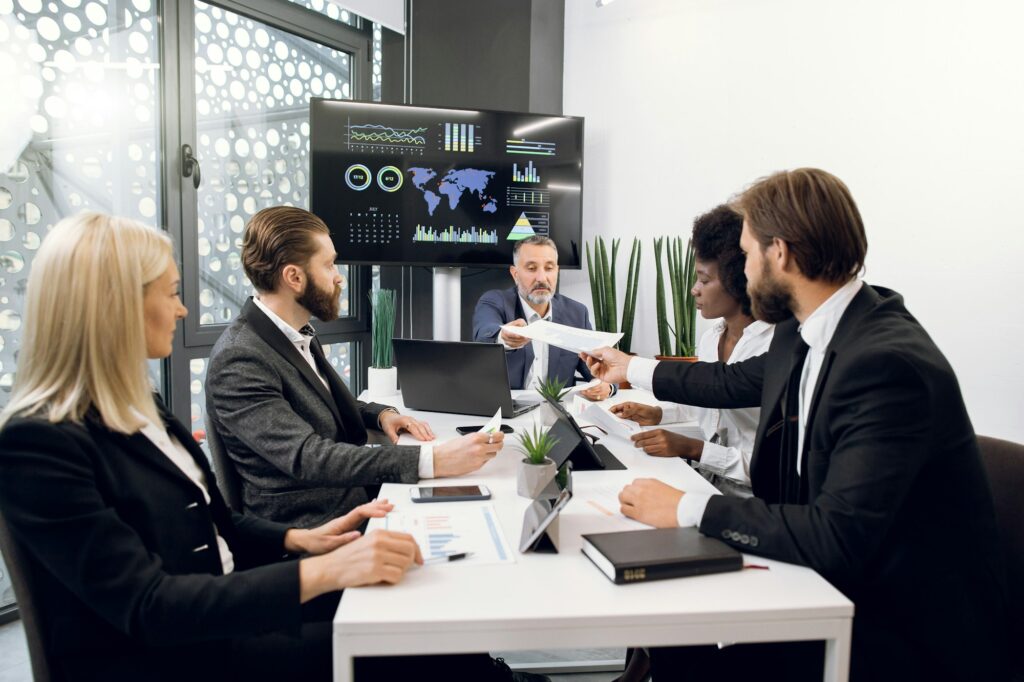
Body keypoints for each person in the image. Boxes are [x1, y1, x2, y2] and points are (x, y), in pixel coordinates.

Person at [582, 169, 1008, 681]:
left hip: (901, 628)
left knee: (693, 653)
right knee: (679, 641)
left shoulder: (886, 364)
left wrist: (686, 506)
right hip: (830, 583)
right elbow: (725, 383)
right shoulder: (806, 330)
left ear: (778, 253)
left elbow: (837, 534)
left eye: (748, 254)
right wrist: (630, 367)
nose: (745, 275)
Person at [0, 213, 426, 681]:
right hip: (181, 655)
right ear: (115, 307)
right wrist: (323, 572)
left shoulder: (140, 406)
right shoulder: (36, 445)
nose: (183, 312)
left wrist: (296, 539)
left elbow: (203, 518)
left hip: (222, 613)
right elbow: (148, 606)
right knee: (410, 653)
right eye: (172, 293)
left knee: (417, 608)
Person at [206, 207, 503, 529]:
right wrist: (433, 460)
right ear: (294, 277)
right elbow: (309, 456)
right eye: (329, 264)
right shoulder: (240, 358)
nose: (339, 277)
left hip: (350, 498)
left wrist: (382, 415)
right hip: (314, 525)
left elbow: (319, 404)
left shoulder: (295, 332)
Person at [611, 204, 773, 500]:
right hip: (705, 484)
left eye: (705, 280)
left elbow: (770, 469)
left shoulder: (772, 348)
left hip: (754, 501)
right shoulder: (712, 338)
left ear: (740, 282)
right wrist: (659, 414)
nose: (694, 290)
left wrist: (692, 448)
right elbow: (710, 408)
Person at [472, 235, 616, 400]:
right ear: (515, 273)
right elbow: (484, 332)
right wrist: (504, 336)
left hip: (557, 413)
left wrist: (607, 386)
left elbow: (602, 367)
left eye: (549, 268)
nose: (541, 278)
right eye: (532, 268)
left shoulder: (577, 313)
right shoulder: (494, 301)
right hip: (504, 412)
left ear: (557, 271)